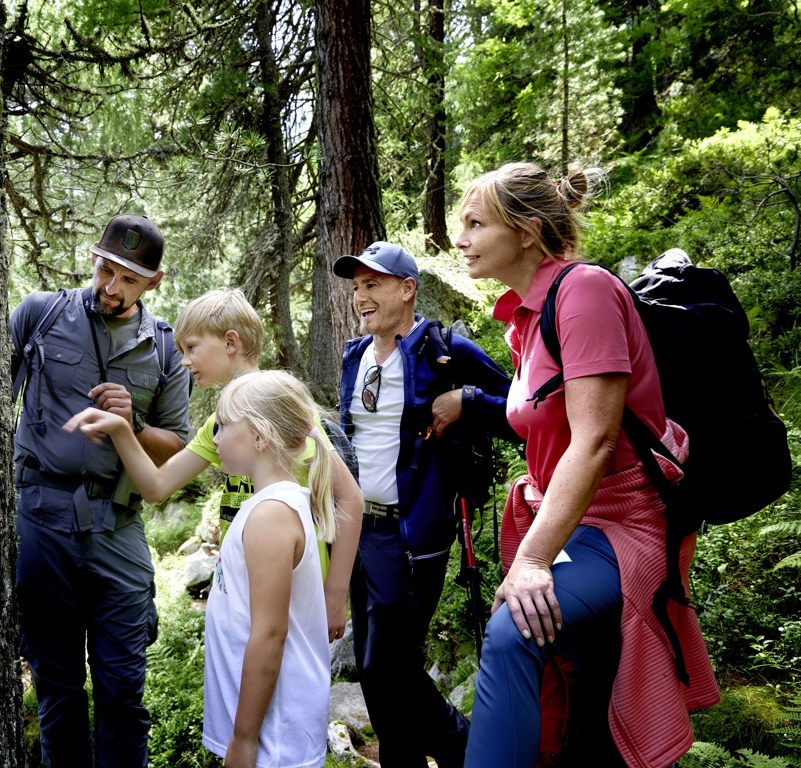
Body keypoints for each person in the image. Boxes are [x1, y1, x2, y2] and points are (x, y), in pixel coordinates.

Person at [452, 162, 719, 768]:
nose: (459, 240)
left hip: (624, 521)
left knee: (512, 632)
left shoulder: (585, 291)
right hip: (571, 520)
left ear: (525, 231)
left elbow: (594, 441)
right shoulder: (525, 319)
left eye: (474, 223)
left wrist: (532, 561)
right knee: (582, 692)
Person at [65, 370, 336, 768]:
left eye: (223, 425)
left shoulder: (270, 518)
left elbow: (270, 635)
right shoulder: (273, 505)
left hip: (273, 739)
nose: (216, 435)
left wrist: (244, 740)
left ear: (260, 436)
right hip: (266, 733)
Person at [64, 286, 362, 642]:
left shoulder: (282, 407)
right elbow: (157, 487)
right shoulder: (219, 424)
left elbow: (350, 498)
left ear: (230, 342)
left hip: (298, 593)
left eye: (191, 348)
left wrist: (334, 594)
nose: (185, 361)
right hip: (241, 590)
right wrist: (122, 429)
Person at [9, 213, 192, 768]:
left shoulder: (163, 349)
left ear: (153, 283)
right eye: (104, 269)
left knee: (122, 691)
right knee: (58, 689)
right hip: (41, 519)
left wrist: (132, 421)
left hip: (118, 528)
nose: (110, 287)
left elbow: (178, 444)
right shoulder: (40, 315)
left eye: (127, 279)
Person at [333, 241, 515, 768]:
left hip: (413, 537)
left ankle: (465, 748)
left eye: (373, 285)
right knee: (378, 670)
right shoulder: (355, 356)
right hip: (357, 532)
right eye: (357, 288)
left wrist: (468, 401)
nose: (361, 297)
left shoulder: (445, 350)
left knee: (386, 667)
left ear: (406, 288)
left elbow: (524, 409)